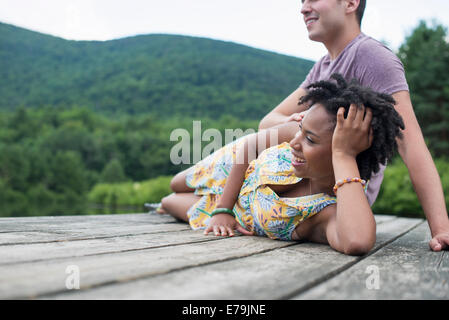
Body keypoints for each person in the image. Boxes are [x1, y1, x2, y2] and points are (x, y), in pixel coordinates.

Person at [256, 0, 449, 252]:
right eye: (302, 1)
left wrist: (441, 228)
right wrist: (302, 127)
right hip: (307, 185)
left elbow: (410, 144)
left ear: (350, 3)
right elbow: (267, 123)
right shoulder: (322, 67)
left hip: (342, 201)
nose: (303, 8)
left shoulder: (372, 57)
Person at [161, 74, 405, 256]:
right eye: (301, 130)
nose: (295, 142)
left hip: (237, 214)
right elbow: (249, 147)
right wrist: (223, 208)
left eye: (310, 139)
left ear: (342, 154)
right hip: (235, 166)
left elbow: (357, 241)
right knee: (176, 183)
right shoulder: (294, 135)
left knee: (168, 201)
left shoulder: (327, 211)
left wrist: (343, 155)